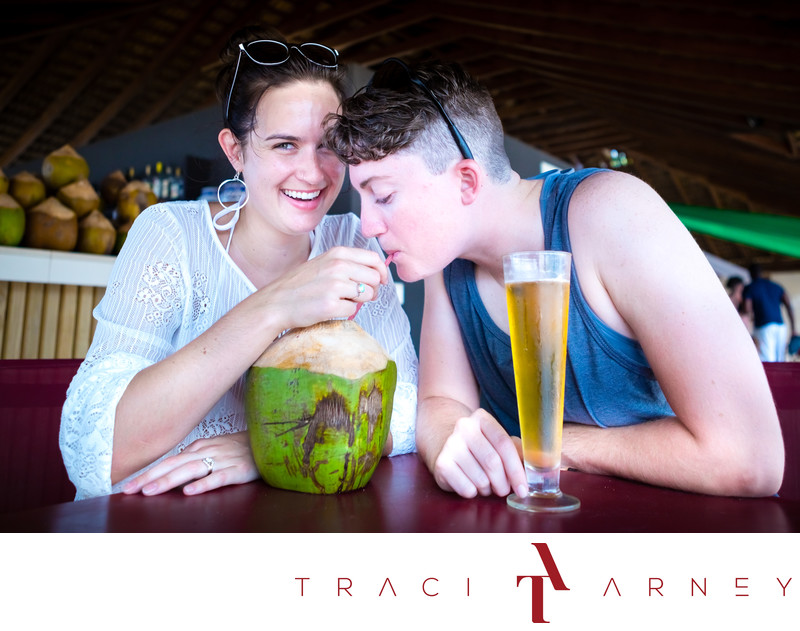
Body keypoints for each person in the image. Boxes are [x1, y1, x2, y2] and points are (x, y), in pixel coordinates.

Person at [324, 57, 784, 498]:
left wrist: (550, 448)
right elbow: (442, 402)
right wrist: (451, 442)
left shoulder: (612, 215)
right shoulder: (445, 261)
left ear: (466, 181)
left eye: (383, 196)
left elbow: (750, 459)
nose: (367, 225)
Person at [59, 27, 418, 501]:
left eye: (329, 145)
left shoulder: (354, 239)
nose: (312, 172)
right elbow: (95, 454)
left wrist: (266, 447)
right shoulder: (170, 234)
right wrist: (275, 306)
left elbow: (412, 411)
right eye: (284, 145)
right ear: (235, 151)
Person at [744, 263, 796, 362]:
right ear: (761, 273)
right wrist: (793, 329)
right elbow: (789, 306)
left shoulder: (750, 288)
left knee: (767, 359)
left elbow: (747, 309)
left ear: (750, 274)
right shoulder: (776, 286)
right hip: (781, 326)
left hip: (763, 327)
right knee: (780, 360)